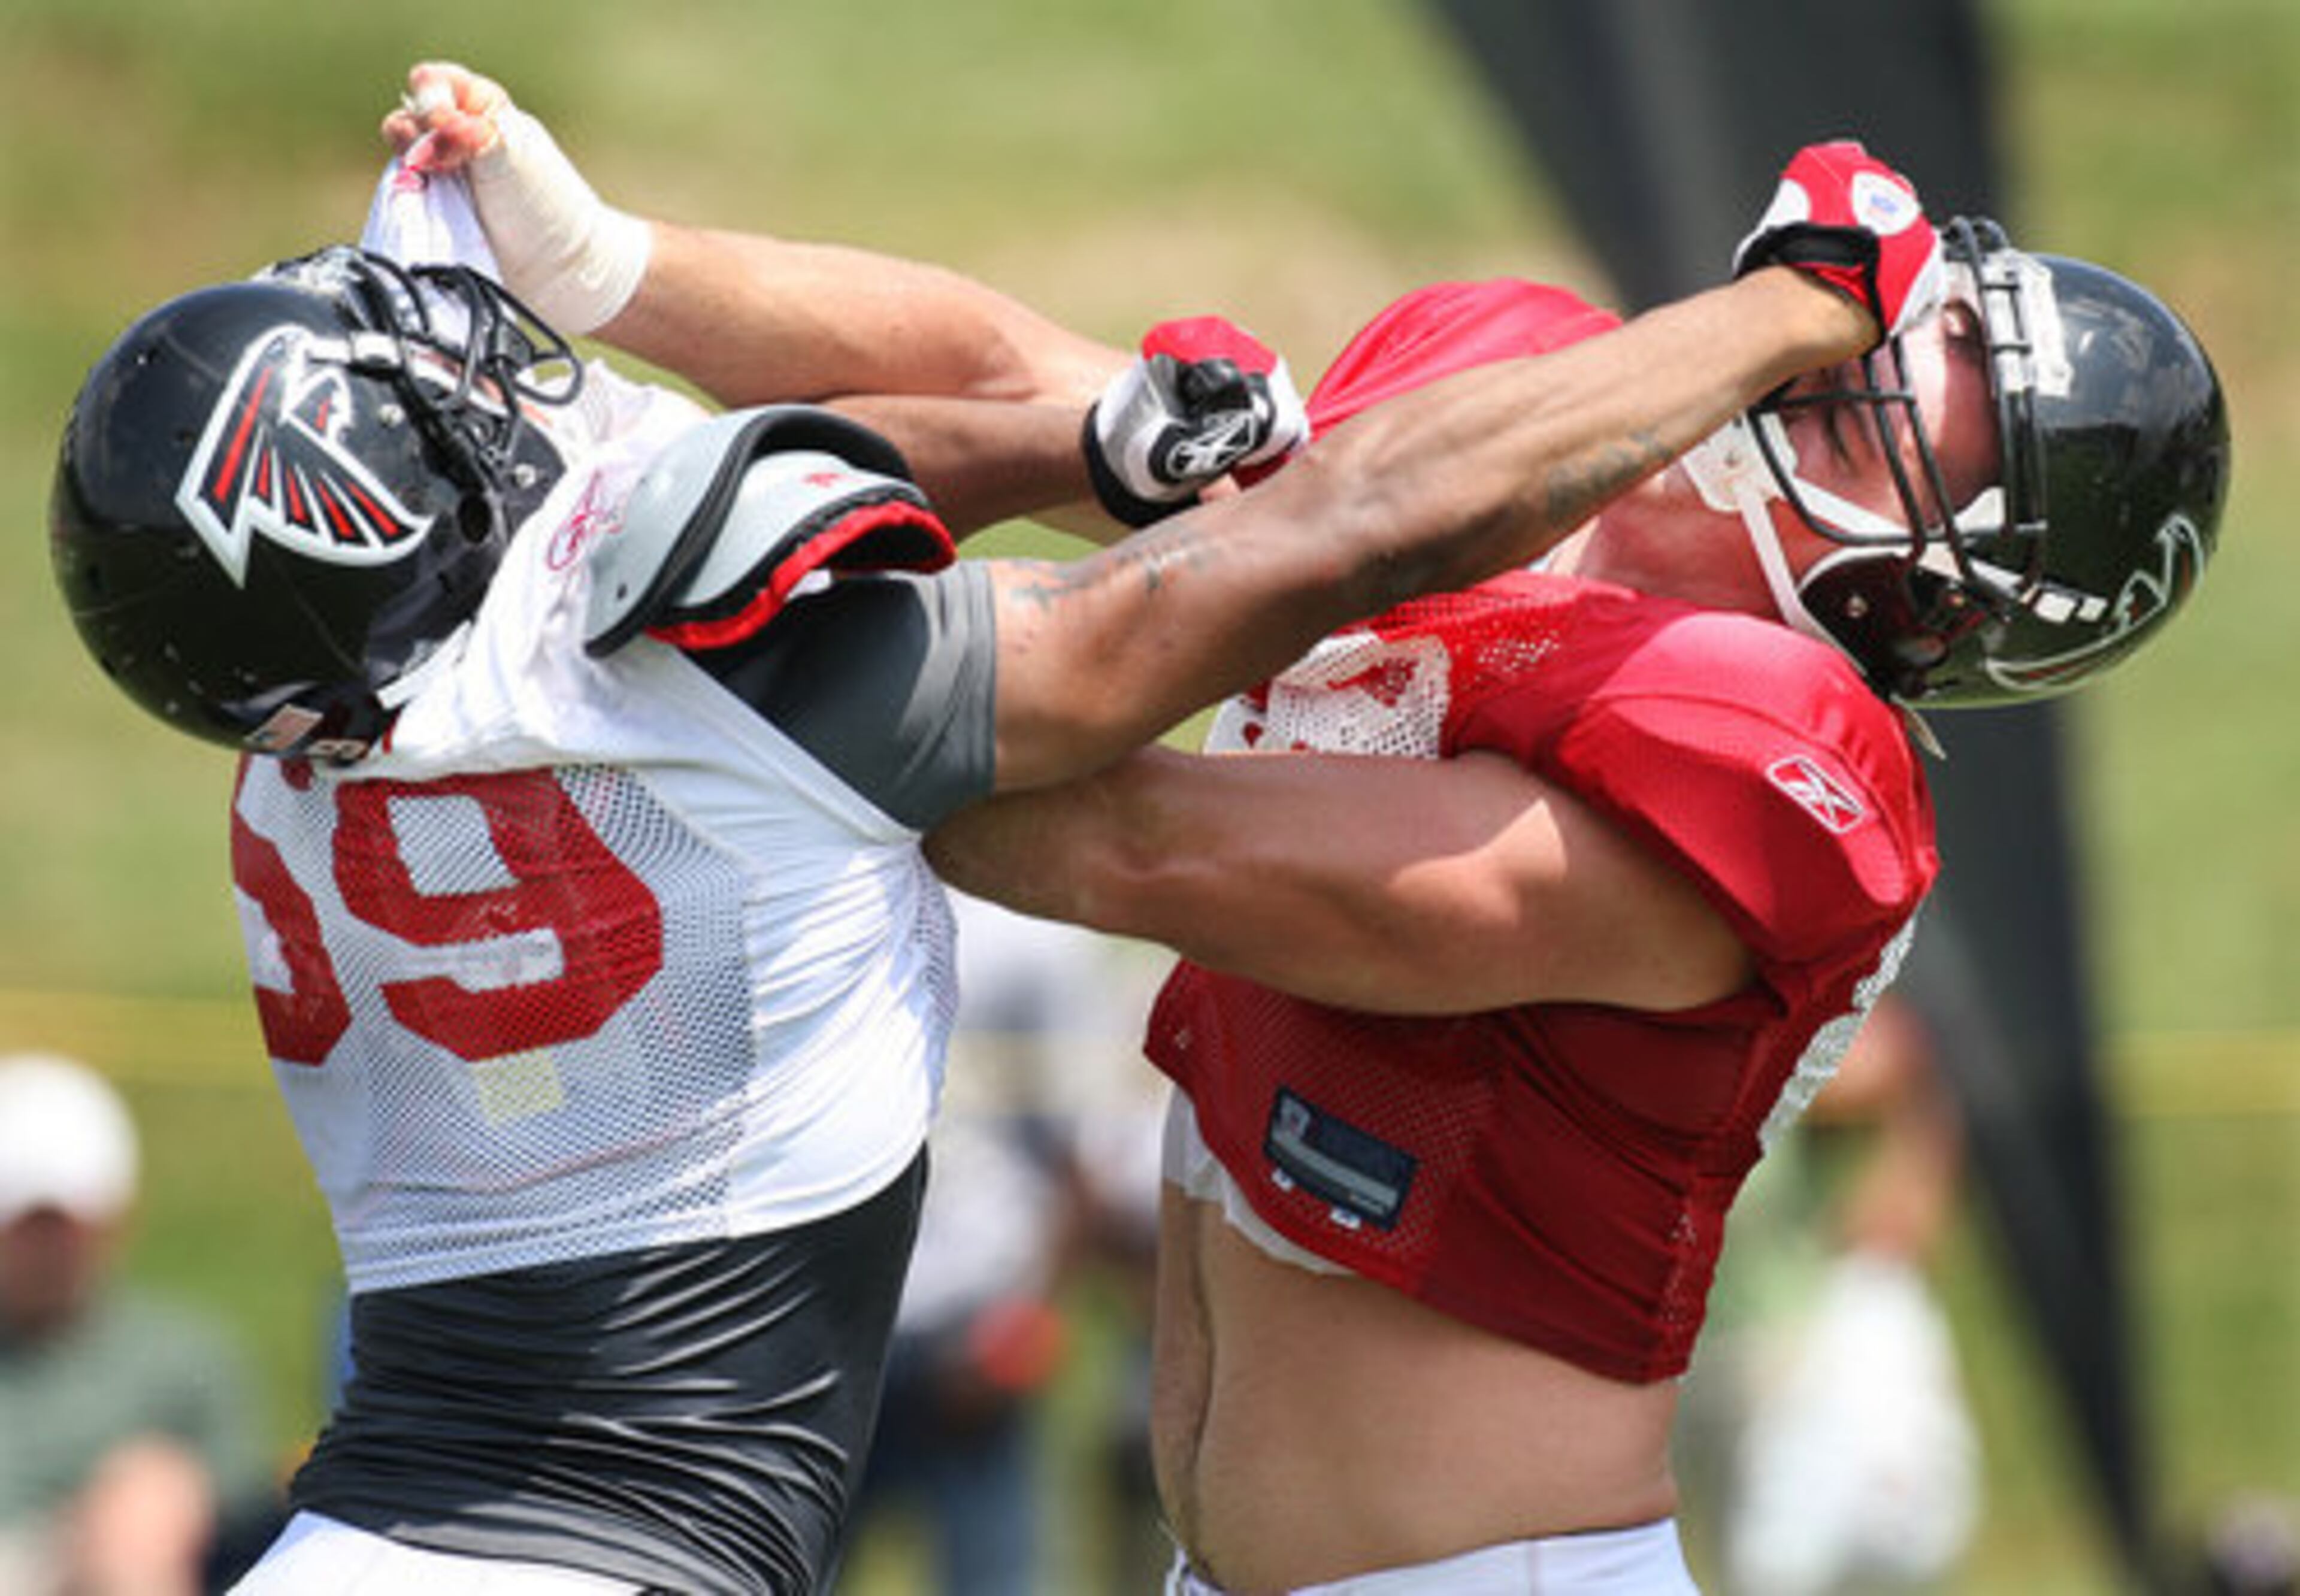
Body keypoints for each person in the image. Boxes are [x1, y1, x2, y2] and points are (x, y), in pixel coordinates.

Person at [44, 60, 1888, 1596]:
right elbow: (1324, 538)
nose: (507, 389)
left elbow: (836, 472)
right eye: (453, 398)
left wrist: (1084, 447)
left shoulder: (316, 742)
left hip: (365, 1530)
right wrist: (1787, 306)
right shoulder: (731, 666)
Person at [923, 155, 2232, 1591]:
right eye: (1947, 329)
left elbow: (1148, 842)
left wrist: (784, 690)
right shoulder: (1528, 502)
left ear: (1936, 591)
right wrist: (629, 286)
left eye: (1934, 414)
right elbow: (1024, 393)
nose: (1879, 363)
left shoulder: (1769, 760)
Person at [0, 1052, 279, 1596]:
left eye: (66, 1226)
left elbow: (246, 1522)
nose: (52, 1251)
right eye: (31, 1228)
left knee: (147, 1497)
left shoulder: (182, 1358)